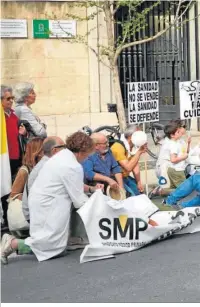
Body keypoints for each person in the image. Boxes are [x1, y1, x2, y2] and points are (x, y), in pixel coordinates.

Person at [1, 132, 94, 264]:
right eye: (87, 155)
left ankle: (15, 245)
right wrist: (100, 204)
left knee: (52, 245)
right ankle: (12, 243)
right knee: (49, 245)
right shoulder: (73, 166)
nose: (87, 158)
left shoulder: (61, 157)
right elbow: (79, 200)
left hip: (42, 201)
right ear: (81, 152)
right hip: (50, 204)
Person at [150, 120, 190, 198]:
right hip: (170, 168)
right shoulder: (172, 143)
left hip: (175, 168)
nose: (183, 130)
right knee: (183, 190)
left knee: (178, 188)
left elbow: (184, 152)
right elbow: (173, 159)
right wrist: (183, 157)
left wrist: (188, 143)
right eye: (179, 131)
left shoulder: (178, 141)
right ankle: (161, 191)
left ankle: (164, 192)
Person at [111, 125, 147, 196]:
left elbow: (135, 164)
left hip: (125, 176)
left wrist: (138, 182)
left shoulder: (133, 146)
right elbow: (128, 167)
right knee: (132, 195)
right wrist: (139, 152)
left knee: (140, 193)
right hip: (116, 178)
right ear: (131, 137)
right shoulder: (118, 147)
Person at [1, 85, 26, 178]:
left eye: (12, 98)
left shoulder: (13, 115)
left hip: (16, 156)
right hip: (4, 158)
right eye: (8, 99)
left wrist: (24, 133)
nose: (11, 101)